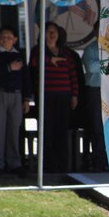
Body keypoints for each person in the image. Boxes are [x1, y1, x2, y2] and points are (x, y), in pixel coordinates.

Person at [31, 22, 79, 173]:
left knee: (61, 131)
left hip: (64, 96)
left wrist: (74, 95)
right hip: (46, 96)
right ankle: (48, 166)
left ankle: (62, 165)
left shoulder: (66, 53)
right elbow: (33, 63)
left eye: (54, 32)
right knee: (47, 131)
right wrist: (49, 60)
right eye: (48, 32)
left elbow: (73, 75)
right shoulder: (38, 51)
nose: (51, 35)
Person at [0, 27, 31, 177]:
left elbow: (26, 78)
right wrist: (9, 68)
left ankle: (14, 163)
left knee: (14, 130)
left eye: (9, 37)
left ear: (15, 39)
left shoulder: (19, 55)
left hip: (16, 96)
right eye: (3, 37)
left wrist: (26, 99)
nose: (6, 39)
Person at [81, 23, 107, 171]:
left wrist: (104, 64)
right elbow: (91, 67)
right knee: (96, 128)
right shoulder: (91, 49)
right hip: (95, 91)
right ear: (95, 32)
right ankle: (98, 162)